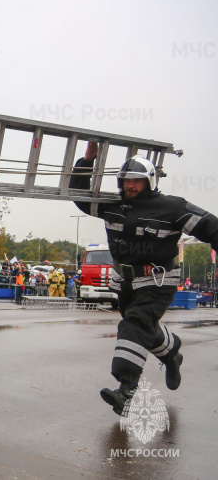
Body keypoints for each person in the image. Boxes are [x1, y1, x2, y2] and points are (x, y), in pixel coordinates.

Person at [70, 142, 218, 416]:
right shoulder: (111, 206)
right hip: (125, 282)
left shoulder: (173, 208)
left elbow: (213, 228)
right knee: (143, 327)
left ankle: (126, 390)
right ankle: (172, 352)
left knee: (135, 323)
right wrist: (86, 160)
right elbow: (79, 196)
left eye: (136, 181)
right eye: (126, 181)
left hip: (159, 281)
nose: (130, 186)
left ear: (149, 181)